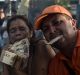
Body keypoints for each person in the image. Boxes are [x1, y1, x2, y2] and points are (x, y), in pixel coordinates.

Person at [34, 5, 79, 75]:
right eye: (46, 29)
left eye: (57, 23)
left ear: (73, 23)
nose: (51, 31)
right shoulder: (55, 66)